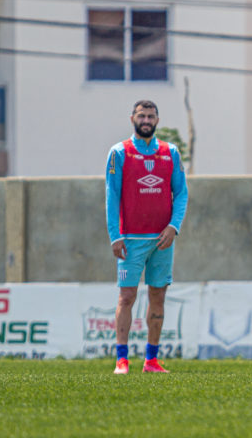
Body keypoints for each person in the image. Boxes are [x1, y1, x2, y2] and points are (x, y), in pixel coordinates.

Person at [105, 99, 188, 375]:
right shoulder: (119, 153)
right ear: (132, 119)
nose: (146, 120)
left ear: (157, 120)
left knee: (158, 296)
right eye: (142, 116)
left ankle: (151, 361)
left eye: (151, 116)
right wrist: (115, 236)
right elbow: (111, 196)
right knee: (126, 297)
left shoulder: (170, 152)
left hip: (162, 240)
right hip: (131, 240)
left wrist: (173, 227)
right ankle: (121, 359)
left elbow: (181, 194)